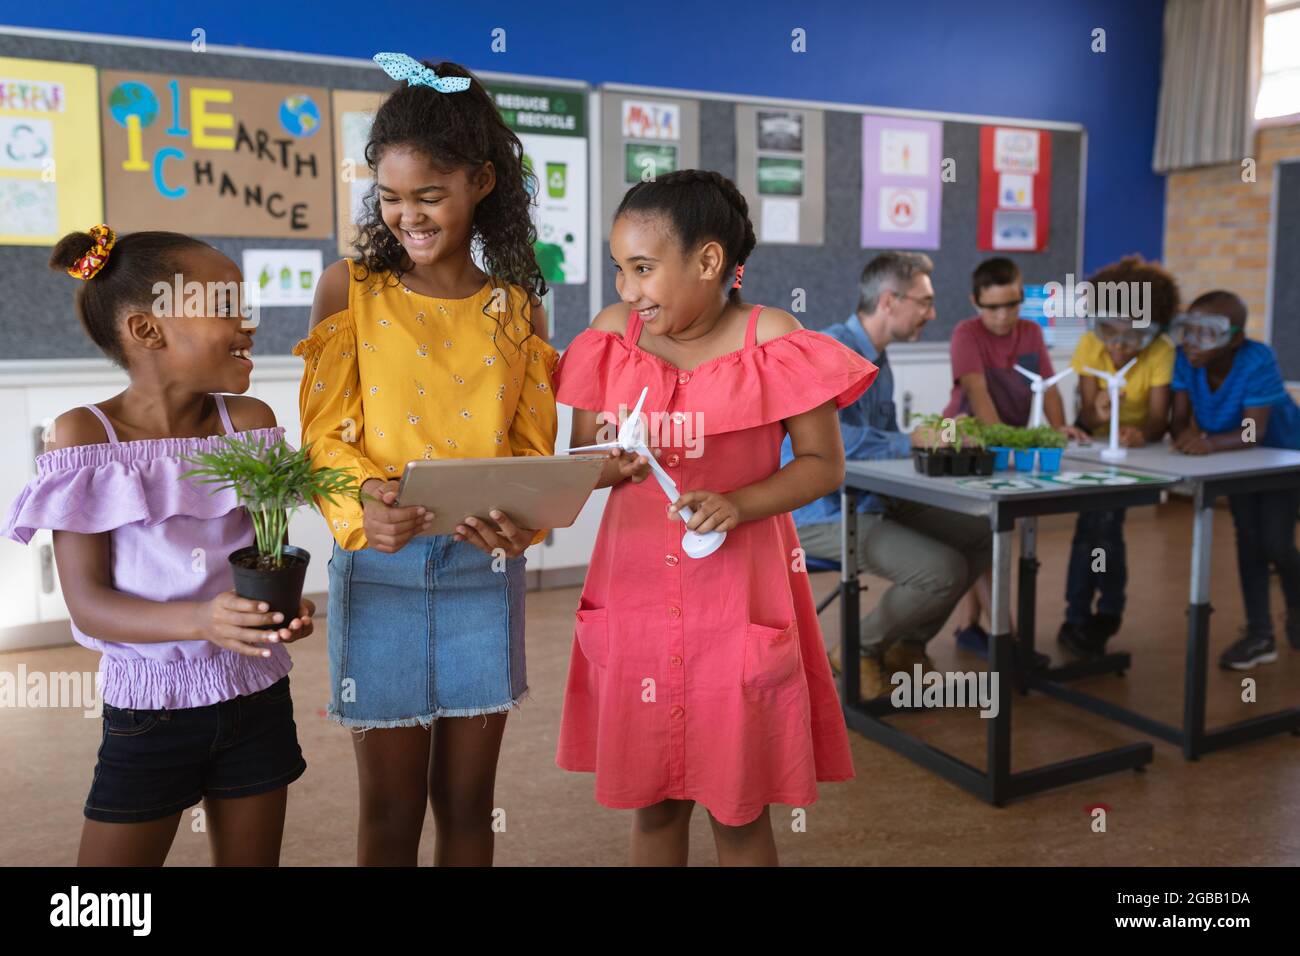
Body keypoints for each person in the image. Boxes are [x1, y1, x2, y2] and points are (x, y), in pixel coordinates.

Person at [554, 170, 873, 865]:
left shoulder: (773, 338)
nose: (627, 291)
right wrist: (614, 463)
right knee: (655, 806)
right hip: (635, 588)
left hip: (738, 597)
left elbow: (823, 464)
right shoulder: (613, 336)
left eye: (643, 269)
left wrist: (739, 504)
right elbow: (584, 455)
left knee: (738, 809)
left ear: (708, 262)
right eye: (619, 270)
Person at [292, 55, 558, 865]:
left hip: (483, 574)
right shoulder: (351, 290)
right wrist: (362, 500)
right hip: (380, 572)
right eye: (391, 197)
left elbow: (530, 452)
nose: (408, 215)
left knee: (470, 807)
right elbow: (321, 436)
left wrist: (522, 524)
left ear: (480, 181)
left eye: (429, 196)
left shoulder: (519, 304)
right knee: (390, 810)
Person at [1, 225, 315, 866]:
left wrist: (285, 605)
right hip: (152, 708)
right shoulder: (86, 435)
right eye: (227, 307)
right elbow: (89, 606)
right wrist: (202, 619)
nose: (248, 324)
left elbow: (266, 553)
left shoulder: (247, 422)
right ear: (148, 330)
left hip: (256, 693)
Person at [783, 252, 1001, 696]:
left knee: (984, 531)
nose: (932, 313)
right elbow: (832, 441)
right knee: (942, 570)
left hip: (865, 500)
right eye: (924, 302)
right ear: (888, 300)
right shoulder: (829, 353)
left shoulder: (879, 361)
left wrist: (931, 438)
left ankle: (903, 645)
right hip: (817, 513)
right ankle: (858, 649)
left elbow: (877, 442)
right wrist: (913, 441)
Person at [944, 257, 1089, 654]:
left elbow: (1050, 386)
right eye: (993, 307)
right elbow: (978, 394)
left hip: (1012, 447)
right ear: (976, 302)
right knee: (978, 537)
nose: (1003, 315)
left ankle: (968, 626)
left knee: (986, 538)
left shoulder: (1030, 331)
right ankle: (1005, 638)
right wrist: (1010, 442)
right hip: (971, 445)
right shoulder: (965, 333)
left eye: (1012, 304)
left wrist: (1057, 431)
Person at [1169, 290, 1300, 669]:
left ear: (1236, 339)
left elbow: (1250, 432)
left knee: (1276, 543)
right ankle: (1260, 635)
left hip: (1282, 459)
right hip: (1234, 460)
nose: (1193, 342)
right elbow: (1178, 418)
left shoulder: (1257, 359)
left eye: (1207, 334)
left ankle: (1296, 602)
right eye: (1188, 330)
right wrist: (1183, 437)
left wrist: (1206, 443)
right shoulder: (1185, 359)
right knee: (1249, 542)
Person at [1057, 256, 1179, 657]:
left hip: (1137, 453)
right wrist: (1103, 413)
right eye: (1110, 331)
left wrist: (1138, 433)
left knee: (1105, 527)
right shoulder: (1090, 345)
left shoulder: (1160, 350)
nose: (1119, 346)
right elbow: (1089, 413)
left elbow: (1161, 419)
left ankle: (1103, 612)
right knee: (1091, 527)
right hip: (1095, 448)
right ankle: (1080, 612)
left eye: (1133, 336)